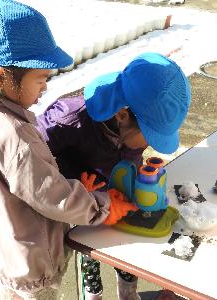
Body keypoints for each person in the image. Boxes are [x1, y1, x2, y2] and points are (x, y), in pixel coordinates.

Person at [0, 1, 138, 299]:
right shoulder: (14, 133)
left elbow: (21, 181)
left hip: (1, 250)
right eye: (41, 79)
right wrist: (103, 206)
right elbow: (53, 196)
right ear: (1, 78)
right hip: (30, 262)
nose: (45, 89)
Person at [36, 52, 191, 300]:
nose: (149, 143)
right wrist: (72, 185)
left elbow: (131, 153)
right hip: (82, 205)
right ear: (122, 115)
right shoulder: (66, 119)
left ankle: (129, 294)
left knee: (127, 250)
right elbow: (32, 162)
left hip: (117, 198)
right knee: (89, 252)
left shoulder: (133, 120)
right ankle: (93, 294)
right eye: (150, 136)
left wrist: (135, 182)